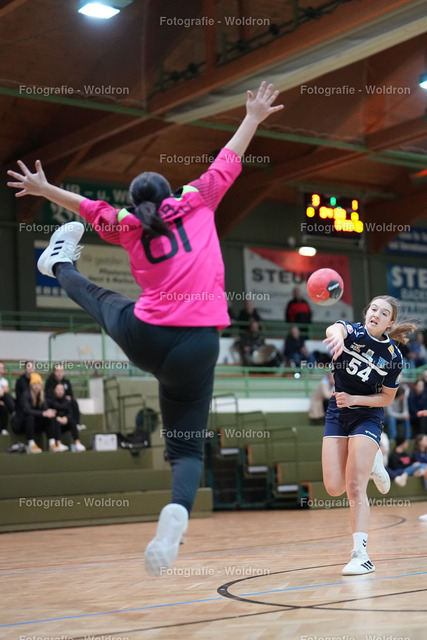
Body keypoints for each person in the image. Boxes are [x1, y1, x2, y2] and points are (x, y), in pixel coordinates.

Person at [7, 81, 283, 576]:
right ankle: (175, 513)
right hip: (197, 346)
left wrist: (44, 189)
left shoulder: (127, 224)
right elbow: (229, 156)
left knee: (102, 300)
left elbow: (85, 207)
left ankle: (58, 265)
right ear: (170, 193)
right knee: (186, 448)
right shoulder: (198, 198)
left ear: (136, 203)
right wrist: (253, 117)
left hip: (146, 336)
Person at [322, 295, 417, 575]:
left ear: (390, 322)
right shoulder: (353, 333)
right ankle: (374, 462)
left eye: (384, 312)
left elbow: (387, 398)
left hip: (367, 415)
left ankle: (361, 555)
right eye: (373, 309)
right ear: (367, 313)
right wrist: (335, 336)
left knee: (355, 486)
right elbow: (336, 328)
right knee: (334, 488)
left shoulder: (393, 357)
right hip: (338, 412)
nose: (376, 314)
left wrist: (356, 399)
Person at [12, 373, 66, 453]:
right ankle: (31, 444)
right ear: (31, 385)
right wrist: (43, 413)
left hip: (35, 423)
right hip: (22, 424)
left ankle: (52, 444)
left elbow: (45, 410)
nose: (36, 386)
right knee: (30, 417)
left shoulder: (42, 395)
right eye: (34, 384)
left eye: (38, 384)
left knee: (49, 417)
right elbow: (27, 410)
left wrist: (48, 412)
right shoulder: (25, 395)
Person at [47, 383, 86, 452]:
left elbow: (70, 413)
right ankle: (58, 443)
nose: (60, 391)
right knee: (54, 422)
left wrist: (66, 418)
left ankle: (77, 443)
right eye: (58, 389)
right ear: (54, 390)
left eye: (61, 389)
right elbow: (49, 413)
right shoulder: (50, 401)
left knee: (72, 421)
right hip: (55, 424)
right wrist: (57, 418)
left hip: (65, 423)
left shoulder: (67, 401)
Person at [45, 364, 85, 430]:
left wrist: (66, 397)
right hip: (54, 401)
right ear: (54, 372)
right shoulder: (49, 382)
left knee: (74, 402)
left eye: (61, 371)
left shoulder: (66, 382)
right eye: (57, 371)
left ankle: (77, 424)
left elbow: (70, 394)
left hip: (64, 401)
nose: (59, 373)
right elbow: (47, 394)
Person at [0, 362, 14, 435]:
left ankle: (4, 429)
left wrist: (2, 390)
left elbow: (6, 389)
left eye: (2, 368)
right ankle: (13, 411)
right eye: (0, 368)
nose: (1, 370)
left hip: (2, 399)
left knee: (7, 397)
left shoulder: (4, 380)